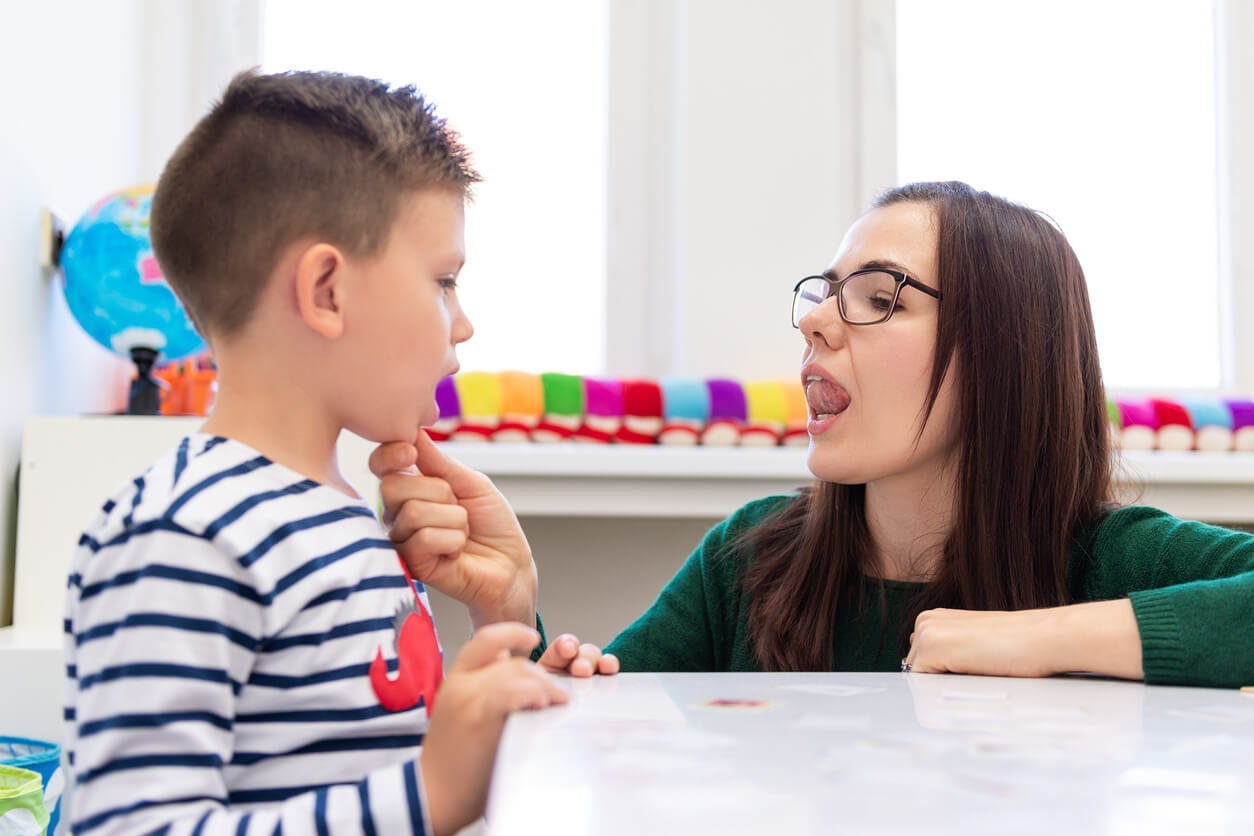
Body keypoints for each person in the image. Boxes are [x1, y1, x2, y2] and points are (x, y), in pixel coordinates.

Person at [375, 180, 1254, 688]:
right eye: (824, 293)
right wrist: (510, 607)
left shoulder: (1105, 560)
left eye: (879, 298)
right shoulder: (748, 558)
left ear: (1004, 355)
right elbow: (589, 746)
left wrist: (1028, 640)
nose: (816, 325)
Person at [63, 70, 609, 836]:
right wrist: (432, 791)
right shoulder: (183, 538)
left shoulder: (345, 518)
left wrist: (505, 705)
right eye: (444, 281)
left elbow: (351, 767)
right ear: (326, 290)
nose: (464, 324)